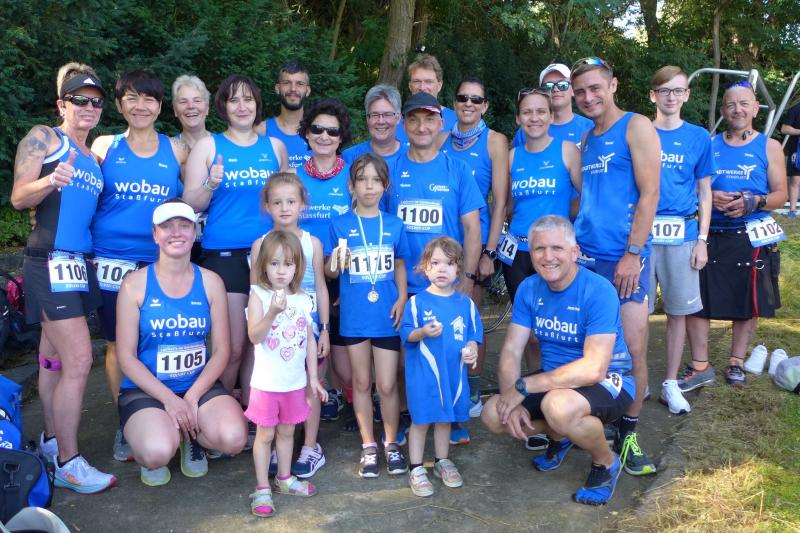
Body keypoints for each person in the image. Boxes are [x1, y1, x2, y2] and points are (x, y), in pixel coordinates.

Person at [11, 62, 116, 493]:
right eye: (79, 100)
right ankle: (70, 463)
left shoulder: (94, 157)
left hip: (79, 264)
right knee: (79, 360)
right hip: (47, 260)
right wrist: (49, 181)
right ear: (62, 104)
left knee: (52, 360)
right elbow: (18, 197)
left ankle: (52, 442)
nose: (88, 107)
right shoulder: (45, 137)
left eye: (96, 102)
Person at [481, 216, 635, 506]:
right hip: (555, 381)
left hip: (610, 380)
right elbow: (512, 350)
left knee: (558, 406)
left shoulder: (598, 290)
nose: (547, 256)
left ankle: (606, 462)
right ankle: (560, 435)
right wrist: (511, 400)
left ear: (575, 252)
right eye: (539, 249)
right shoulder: (529, 288)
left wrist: (524, 387)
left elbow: (594, 368)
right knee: (493, 414)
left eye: (557, 248)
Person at [90, 70, 188, 463]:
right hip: (109, 260)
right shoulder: (104, 146)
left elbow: (193, 200)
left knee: (164, 340)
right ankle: (126, 419)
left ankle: (170, 414)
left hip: (158, 261)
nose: (140, 106)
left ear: (160, 107)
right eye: (131, 98)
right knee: (117, 345)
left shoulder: (176, 150)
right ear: (118, 104)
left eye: (148, 99)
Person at [115, 200, 247, 486]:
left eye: (184, 225)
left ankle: (191, 437)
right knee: (157, 452)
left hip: (197, 386)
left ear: (194, 232)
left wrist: (191, 397)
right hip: (147, 390)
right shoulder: (134, 284)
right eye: (167, 226)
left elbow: (222, 350)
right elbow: (126, 357)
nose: (176, 233)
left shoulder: (211, 281)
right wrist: (170, 400)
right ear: (155, 234)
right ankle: (168, 432)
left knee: (234, 438)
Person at [571, 56, 660, 476]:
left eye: (595, 87)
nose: (588, 96)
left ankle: (629, 433)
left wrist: (633, 253)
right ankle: (595, 425)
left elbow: (650, 193)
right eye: (580, 91)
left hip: (624, 259)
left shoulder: (636, 126)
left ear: (613, 85)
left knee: (633, 349)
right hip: (586, 259)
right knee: (592, 349)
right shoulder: (588, 138)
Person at [385, 91, 484, 445]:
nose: (422, 127)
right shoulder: (391, 170)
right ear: (403, 124)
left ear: (441, 123)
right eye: (413, 120)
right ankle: (406, 417)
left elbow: (472, 229)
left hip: (446, 285)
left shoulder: (457, 169)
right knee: (405, 357)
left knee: (448, 352)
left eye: (429, 119)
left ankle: (451, 418)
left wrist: (467, 279)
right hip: (403, 285)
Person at [183, 74, 289, 396]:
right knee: (231, 348)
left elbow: (287, 201)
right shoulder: (208, 146)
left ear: (257, 104)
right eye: (234, 100)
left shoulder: (275, 147)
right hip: (224, 255)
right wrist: (211, 184)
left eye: (248, 99)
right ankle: (215, 410)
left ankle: (250, 412)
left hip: (268, 254)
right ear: (223, 107)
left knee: (261, 345)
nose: (242, 106)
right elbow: (190, 203)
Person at [686, 80, 787, 387]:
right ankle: (700, 363)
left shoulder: (769, 146)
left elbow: (781, 194)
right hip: (710, 232)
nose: (737, 109)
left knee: (748, 300)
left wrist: (754, 201)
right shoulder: (709, 144)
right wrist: (707, 196)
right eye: (731, 104)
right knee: (698, 299)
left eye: (744, 104)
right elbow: (689, 186)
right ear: (723, 110)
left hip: (751, 234)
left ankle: (736, 361)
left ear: (756, 108)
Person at [326, 153, 410, 478]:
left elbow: (400, 263)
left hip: (386, 314)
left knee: (386, 385)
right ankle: (369, 445)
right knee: (361, 382)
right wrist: (336, 261)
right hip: (355, 317)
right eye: (362, 180)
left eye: (376, 180)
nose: (369, 186)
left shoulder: (394, 224)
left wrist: (402, 297)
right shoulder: (340, 224)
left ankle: (391, 443)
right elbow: (330, 272)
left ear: (385, 186)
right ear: (351, 185)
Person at [438, 77, 509, 433]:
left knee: (469, 320)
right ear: (453, 103)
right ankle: (445, 387)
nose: (468, 103)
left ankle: (473, 388)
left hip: (474, 243)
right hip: (440, 247)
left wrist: (488, 252)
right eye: (462, 97)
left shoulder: (495, 141)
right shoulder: (440, 139)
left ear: (485, 106)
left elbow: (500, 202)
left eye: (476, 99)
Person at [248, 172, 330, 478]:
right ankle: (275, 447)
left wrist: (325, 328)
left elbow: (320, 286)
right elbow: (255, 290)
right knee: (277, 385)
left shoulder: (312, 243)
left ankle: (309, 446)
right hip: (272, 330)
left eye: (291, 201)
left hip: (306, 324)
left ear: (302, 204)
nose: (285, 208)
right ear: (267, 206)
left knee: (311, 384)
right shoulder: (260, 245)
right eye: (277, 202)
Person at [646, 66, 715, 414]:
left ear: (686, 95)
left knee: (678, 313)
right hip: (642, 235)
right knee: (636, 312)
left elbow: (705, 191)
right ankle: (636, 379)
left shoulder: (699, 137)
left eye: (677, 90)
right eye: (664, 90)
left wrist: (702, 239)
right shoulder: (639, 132)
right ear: (653, 95)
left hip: (683, 234)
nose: (670, 97)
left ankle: (671, 382)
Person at [246, 230, 328, 517]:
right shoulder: (258, 295)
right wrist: (271, 312)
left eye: (288, 264)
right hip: (266, 384)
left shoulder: (304, 299)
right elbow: (254, 336)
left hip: (294, 383)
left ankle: (284, 478)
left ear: (298, 267)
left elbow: (309, 341)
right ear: (264, 265)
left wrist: (313, 379)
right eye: (275, 263)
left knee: (288, 431)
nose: (281, 271)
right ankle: (262, 487)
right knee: (265, 434)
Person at [294, 97, 353, 472]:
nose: (324, 136)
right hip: (300, 280)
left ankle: (346, 399)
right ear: (307, 133)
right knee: (306, 359)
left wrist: (342, 277)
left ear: (341, 136)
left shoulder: (353, 177)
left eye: (332, 131)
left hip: (341, 275)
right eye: (317, 129)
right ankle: (300, 431)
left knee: (344, 368)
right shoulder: (293, 175)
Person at [399, 237, 482, 497]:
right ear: (425, 267)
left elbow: (473, 336)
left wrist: (472, 349)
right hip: (423, 376)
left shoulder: (466, 304)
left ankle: (441, 461)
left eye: (449, 263)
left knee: (445, 418)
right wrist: (423, 331)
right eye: (435, 263)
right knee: (421, 420)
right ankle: (415, 468)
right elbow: (407, 335)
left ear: (459, 269)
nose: (442, 269)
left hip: (453, 374)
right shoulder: (416, 303)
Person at [511, 63, 593, 148]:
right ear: (541, 94)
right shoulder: (527, 130)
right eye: (548, 86)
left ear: (573, 90)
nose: (555, 89)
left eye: (563, 85)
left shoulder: (591, 128)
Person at [256, 61, 313, 168]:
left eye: (300, 84)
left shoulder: (320, 132)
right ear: (278, 88)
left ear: (308, 90)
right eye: (287, 83)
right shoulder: (260, 131)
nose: (293, 89)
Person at [395, 53, 458, 144]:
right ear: (410, 85)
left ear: (439, 85)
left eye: (428, 82)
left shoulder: (456, 121)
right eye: (417, 81)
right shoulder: (395, 123)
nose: (422, 87)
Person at [342, 84, 405, 167]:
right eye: (375, 115)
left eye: (387, 114)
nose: (381, 121)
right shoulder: (349, 157)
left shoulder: (413, 155)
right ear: (367, 119)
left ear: (398, 118)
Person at [171, 74, 210, 149]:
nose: (191, 106)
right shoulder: (168, 148)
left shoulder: (222, 145)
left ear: (207, 108)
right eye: (183, 102)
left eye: (197, 101)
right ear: (175, 110)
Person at [779, 100, 800, 218]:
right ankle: (792, 210)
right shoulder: (795, 109)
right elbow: (784, 129)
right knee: (795, 179)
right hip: (797, 149)